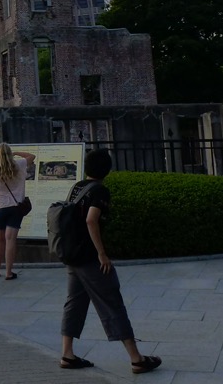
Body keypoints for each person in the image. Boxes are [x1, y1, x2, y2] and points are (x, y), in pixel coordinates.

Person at [59, 149, 162, 374]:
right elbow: (91, 220)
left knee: (74, 303)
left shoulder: (77, 187)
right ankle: (136, 359)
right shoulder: (100, 190)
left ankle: (67, 354)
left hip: (72, 255)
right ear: (107, 169)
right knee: (112, 303)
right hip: (89, 257)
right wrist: (102, 253)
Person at [0, 142, 35, 280]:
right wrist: (16, 153)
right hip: (15, 206)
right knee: (10, 239)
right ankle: (8, 272)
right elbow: (32, 156)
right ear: (9, 154)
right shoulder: (18, 165)